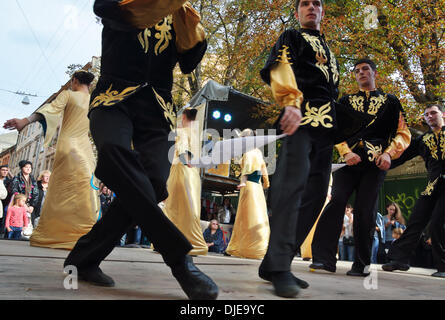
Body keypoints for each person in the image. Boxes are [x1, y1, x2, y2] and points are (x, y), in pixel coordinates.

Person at [63, 0, 218, 300]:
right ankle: (180, 261)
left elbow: (188, 62)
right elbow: (106, 10)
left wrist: (185, 17)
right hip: (113, 98)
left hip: (156, 109)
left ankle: (83, 258)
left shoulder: (181, 12)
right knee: (112, 150)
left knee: (154, 185)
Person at [257, 0, 368, 297]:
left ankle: (273, 262)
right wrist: (290, 103)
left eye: (316, 3)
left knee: (317, 196)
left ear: (322, 12)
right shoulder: (292, 37)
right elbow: (280, 66)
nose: (311, 7)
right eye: (304, 3)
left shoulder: (329, 50)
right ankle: (280, 267)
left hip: (325, 132)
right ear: (297, 12)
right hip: (301, 121)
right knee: (291, 189)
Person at [309, 58, 411, 277]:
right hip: (349, 163)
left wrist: (388, 153)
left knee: (366, 211)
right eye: (357, 71)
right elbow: (334, 129)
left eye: (365, 69)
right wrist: (346, 152)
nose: (361, 73)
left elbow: (403, 133)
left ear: (375, 73)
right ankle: (323, 259)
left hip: (375, 165)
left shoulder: (391, 102)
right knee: (336, 202)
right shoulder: (345, 101)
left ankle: (362, 265)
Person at [4, 71, 100, 249]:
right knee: (83, 189)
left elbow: (48, 111)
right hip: (85, 150)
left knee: (65, 189)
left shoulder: (69, 94)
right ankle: (80, 234)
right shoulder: (97, 99)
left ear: (75, 81)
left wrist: (25, 121)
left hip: (70, 146)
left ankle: (66, 233)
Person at [383, 104, 445, 278]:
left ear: (443, 114)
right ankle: (400, 260)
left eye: (433, 113)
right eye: (426, 115)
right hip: (432, 185)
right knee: (415, 221)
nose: (430, 116)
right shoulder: (422, 139)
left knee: (437, 223)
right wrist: (386, 160)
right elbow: (403, 155)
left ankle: (443, 266)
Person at [163, 108, 208, 256]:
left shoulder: (181, 131)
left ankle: (170, 242)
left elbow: (182, 149)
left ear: (183, 116)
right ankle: (189, 241)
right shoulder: (196, 134)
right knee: (190, 207)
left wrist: (184, 161)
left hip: (181, 170)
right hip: (193, 173)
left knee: (174, 206)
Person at [225, 129, 270, 260]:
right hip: (258, 188)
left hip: (249, 186)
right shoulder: (259, 152)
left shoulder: (249, 153)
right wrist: (266, 183)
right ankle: (258, 247)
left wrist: (243, 181)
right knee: (258, 216)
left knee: (244, 217)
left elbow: (247, 169)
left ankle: (241, 248)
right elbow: (264, 170)